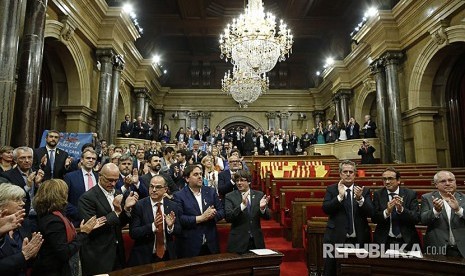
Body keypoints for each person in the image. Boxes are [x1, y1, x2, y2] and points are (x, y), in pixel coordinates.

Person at [32, 179, 105, 276]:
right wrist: (84, 233)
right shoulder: (53, 221)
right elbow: (64, 252)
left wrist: (84, 231)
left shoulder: (53, 216)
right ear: (59, 196)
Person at [78, 163, 139, 275]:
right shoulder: (87, 198)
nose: (113, 183)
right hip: (98, 255)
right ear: (100, 176)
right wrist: (116, 212)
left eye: (116, 180)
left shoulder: (118, 193)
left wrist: (126, 209)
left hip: (117, 252)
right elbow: (92, 227)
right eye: (109, 180)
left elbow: (119, 223)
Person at [322, 160, 373, 276]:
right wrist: (339, 197)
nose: (348, 174)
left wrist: (360, 199)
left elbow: (371, 213)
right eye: (345, 172)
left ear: (355, 174)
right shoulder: (332, 189)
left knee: (359, 271)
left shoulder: (363, 191)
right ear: (340, 174)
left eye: (351, 172)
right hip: (335, 238)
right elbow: (326, 209)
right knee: (331, 271)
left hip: (359, 239)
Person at [128, 175, 181, 266]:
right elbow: (133, 233)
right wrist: (152, 226)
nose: (154, 190)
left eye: (158, 187)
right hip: (144, 257)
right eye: (151, 186)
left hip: (167, 255)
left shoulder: (173, 206)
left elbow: (179, 230)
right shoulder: (139, 206)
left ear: (165, 189)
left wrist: (170, 227)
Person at [173, 165, 224, 258]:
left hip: (210, 243)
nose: (200, 176)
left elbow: (221, 211)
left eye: (201, 174)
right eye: (196, 174)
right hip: (189, 245)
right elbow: (180, 219)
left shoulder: (211, 192)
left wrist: (212, 215)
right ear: (187, 179)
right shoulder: (179, 196)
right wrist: (201, 218)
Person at [372, 167, 421, 251]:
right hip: (385, 241)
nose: (387, 182)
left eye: (390, 179)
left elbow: (416, 218)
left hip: (406, 241)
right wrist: (387, 212)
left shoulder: (410, 194)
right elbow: (374, 218)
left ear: (398, 180)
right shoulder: (378, 194)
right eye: (384, 179)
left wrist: (401, 210)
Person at [0, 183, 43, 276]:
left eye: (22, 199)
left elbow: (29, 264)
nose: (23, 203)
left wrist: (31, 256)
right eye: (17, 200)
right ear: (3, 202)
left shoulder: (24, 223)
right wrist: (23, 256)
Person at [420, 170, 465, 257]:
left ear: (455, 182)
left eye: (450, 180)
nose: (448, 183)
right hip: (437, 246)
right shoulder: (427, 198)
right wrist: (436, 211)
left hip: (462, 247)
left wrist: (458, 210)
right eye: (443, 181)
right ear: (436, 184)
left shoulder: (463, 198)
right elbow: (423, 220)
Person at [225, 170, 270, 253]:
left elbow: (268, 217)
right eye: (237, 180)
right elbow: (228, 217)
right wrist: (242, 206)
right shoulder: (230, 196)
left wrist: (262, 209)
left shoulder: (259, 195)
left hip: (256, 241)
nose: (239, 183)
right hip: (238, 241)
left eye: (242, 180)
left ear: (249, 181)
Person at [64, 149, 99, 226]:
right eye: (88, 158)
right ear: (82, 160)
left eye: (93, 159)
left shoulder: (99, 177)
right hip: (77, 221)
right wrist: (80, 213)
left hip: (97, 222)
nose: (91, 160)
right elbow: (64, 200)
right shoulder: (70, 177)